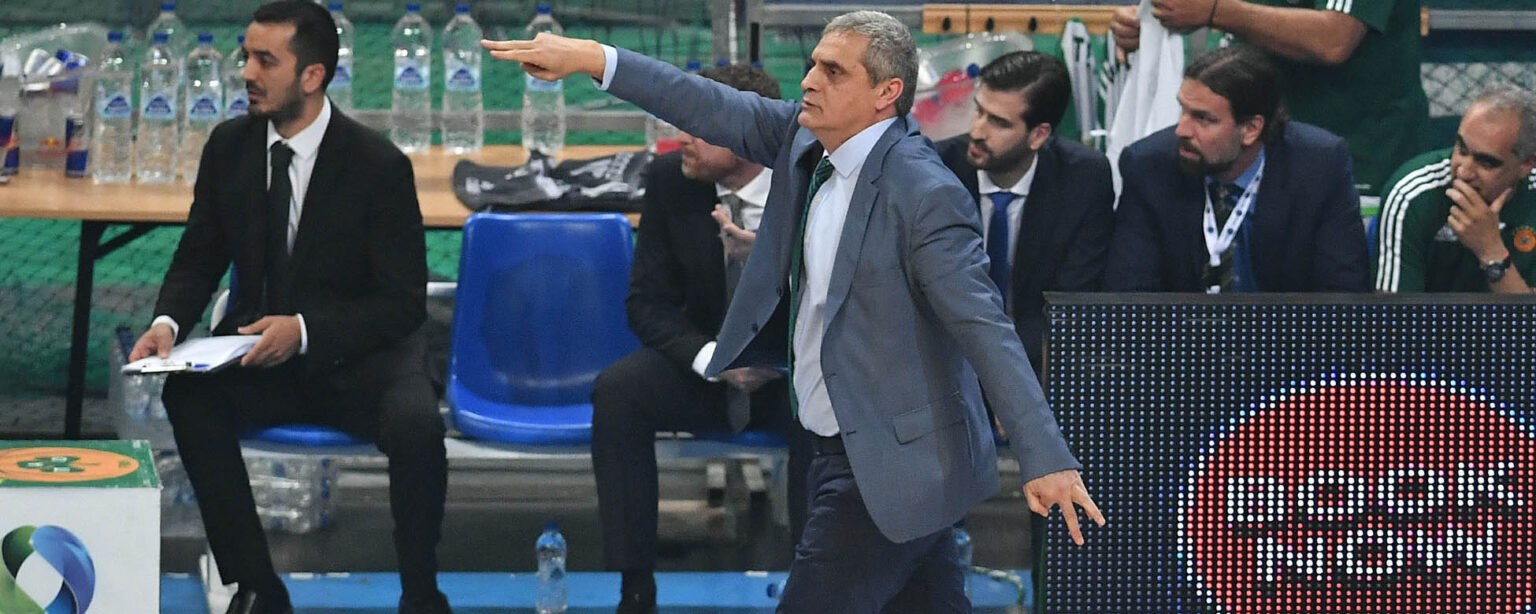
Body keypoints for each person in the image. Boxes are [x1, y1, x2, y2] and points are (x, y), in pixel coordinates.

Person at [484, 10, 1102, 612]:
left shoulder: (925, 192)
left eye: (833, 72)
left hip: (888, 464)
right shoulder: (806, 138)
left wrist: (1044, 454)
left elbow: (983, 326)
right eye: (813, 65)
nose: (809, 81)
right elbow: (705, 103)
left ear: (886, 93)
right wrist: (592, 58)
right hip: (853, 448)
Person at [127, 2, 450, 612]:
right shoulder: (229, 148)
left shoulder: (378, 165)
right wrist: (166, 324)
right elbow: (199, 256)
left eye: (265, 61)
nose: (247, 73)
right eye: (246, 57)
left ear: (312, 75)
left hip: (361, 359)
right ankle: (257, 586)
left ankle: (420, 591)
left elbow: (403, 303)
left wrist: (303, 330)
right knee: (189, 396)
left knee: (417, 424)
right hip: (260, 357)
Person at [589, 63, 808, 614]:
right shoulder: (671, 179)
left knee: (828, 406)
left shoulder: (812, 183)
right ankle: (635, 588)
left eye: (697, 124)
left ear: (747, 132)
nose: (680, 136)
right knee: (619, 391)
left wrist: (777, 353)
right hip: (709, 365)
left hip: (793, 371)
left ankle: (816, 587)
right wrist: (714, 359)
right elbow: (647, 303)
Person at [1104, 45, 1370, 293]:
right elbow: (1130, 296)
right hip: (1182, 327)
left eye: (1203, 118)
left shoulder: (1318, 167)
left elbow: (1342, 296)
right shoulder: (1149, 166)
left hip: (1286, 327)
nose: (1182, 130)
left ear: (1251, 129)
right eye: (1183, 110)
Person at [1111, 0, 1428, 198]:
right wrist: (1151, 20)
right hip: (1258, 151)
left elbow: (1334, 38)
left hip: (1360, 157)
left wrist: (1215, 10)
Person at [934, 50, 1115, 376]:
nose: (977, 131)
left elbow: (1070, 304)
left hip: (1038, 361)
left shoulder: (1083, 178)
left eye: (999, 122)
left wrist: (1011, 381)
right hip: (947, 362)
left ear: (1038, 135)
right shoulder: (937, 168)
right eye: (979, 111)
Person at [1375, 84, 1536, 293]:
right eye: (1461, 148)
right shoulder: (1412, 194)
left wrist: (1491, 252)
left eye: (1486, 162)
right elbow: (1394, 311)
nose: (1463, 171)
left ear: (1527, 164)